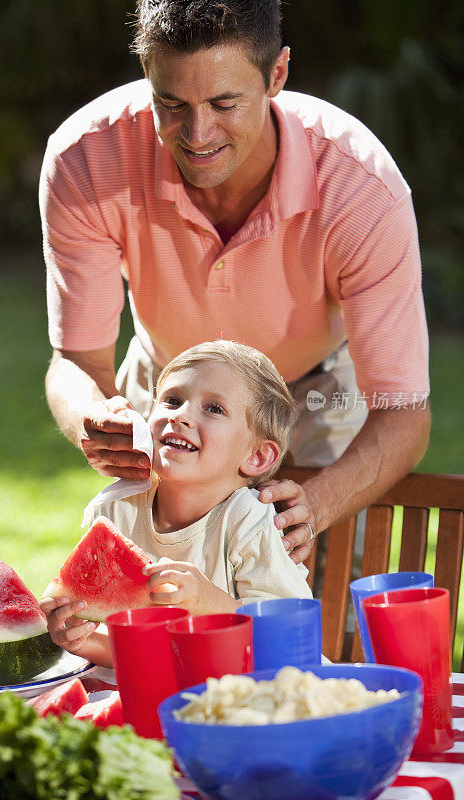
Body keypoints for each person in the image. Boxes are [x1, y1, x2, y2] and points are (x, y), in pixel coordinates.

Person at [40, 0, 431, 566]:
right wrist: (89, 420)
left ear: (277, 75)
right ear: (147, 75)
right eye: (171, 104)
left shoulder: (361, 188)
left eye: (225, 103)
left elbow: (403, 412)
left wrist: (315, 506)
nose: (197, 135)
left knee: (316, 603)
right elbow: (76, 361)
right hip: (170, 381)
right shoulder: (86, 160)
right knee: (156, 597)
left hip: (315, 387)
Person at [41, 341, 312, 663]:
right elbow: (141, 652)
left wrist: (206, 600)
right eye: (171, 400)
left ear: (257, 456)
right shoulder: (116, 509)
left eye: (214, 408)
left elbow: (288, 636)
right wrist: (78, 639)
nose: (181, 416)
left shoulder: (248, 520)